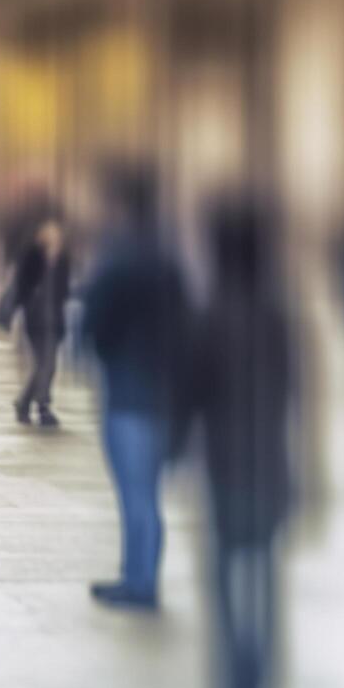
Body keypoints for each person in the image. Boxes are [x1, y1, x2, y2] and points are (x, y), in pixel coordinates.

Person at [180, 198, 298, 688]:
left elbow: (192, 392)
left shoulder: (212, 313)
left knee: (228, 585)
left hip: (229, 470)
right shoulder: (278, 314)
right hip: (271, 466)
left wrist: (177, 447)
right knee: (267, 586)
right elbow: (297, 394)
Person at [81, 164, 189, 610]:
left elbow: (95, 323)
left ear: (121, 203)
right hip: (163, 389)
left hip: (127, 390)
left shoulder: (118, 256)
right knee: (149, 491)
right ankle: (139, 574)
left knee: (134, 492)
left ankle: (139, 582)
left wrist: (101, 353)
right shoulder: (168, 257)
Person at [0, 218, 71, 427]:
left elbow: (64, 290)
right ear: (41, 235)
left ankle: (26, 403)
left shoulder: (63, 259)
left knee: (48, 365)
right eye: (49, 233)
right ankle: (40, 406)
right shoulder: (32, 255)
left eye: (56, 234)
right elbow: (21, 286)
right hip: (36, 319)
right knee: (44, 365)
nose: (53, 238)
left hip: (55, 319)